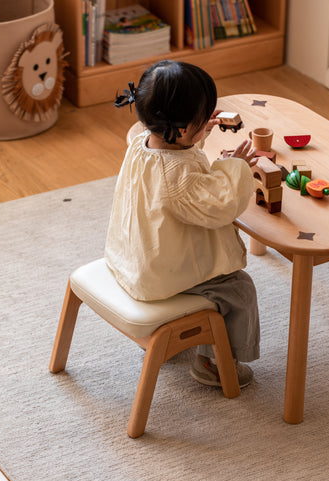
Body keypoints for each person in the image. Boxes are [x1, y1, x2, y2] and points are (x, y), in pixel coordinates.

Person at [105, 60, 260, 388]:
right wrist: (236, 168)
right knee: (238, 289)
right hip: (163, 274)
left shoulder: (142, 144)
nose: (208, 123)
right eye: (203, 120)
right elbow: (221, 205)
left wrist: (200, 135)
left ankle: (189, 342)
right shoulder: (179, 178)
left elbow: (178, 160)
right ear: (184, 129)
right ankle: (214, 364)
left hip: (131, 259)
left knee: (230, 284)